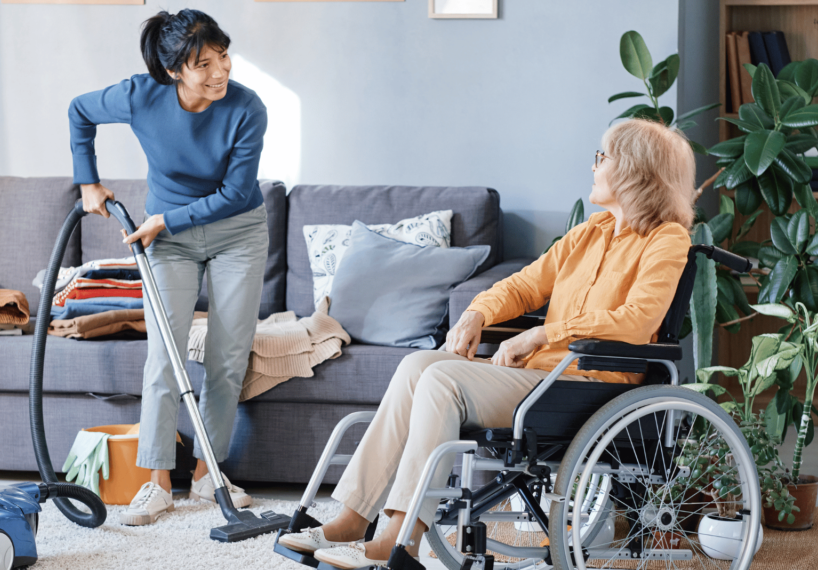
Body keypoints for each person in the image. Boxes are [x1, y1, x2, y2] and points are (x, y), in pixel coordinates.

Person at [278, 118, 696, 569]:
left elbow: (637, 320)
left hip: (589, 386)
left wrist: (543, 333)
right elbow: (523, 286)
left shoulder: (667, 239)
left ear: (633, 171)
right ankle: (352, 519)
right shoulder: (588, 233)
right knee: (418, 365)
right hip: (541, 379)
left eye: (603, 157)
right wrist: (477, 314)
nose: (594, 165)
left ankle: (399, 539)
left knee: (441, 381)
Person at [68, 9, 268, 526]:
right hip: (168, 241)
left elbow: (236, 194)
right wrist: (88, 182)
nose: (220, 71)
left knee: (227, 357)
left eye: (223, 56)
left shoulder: (247, 108)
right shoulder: (141, 95)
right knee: (164, 356)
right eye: (204, 64)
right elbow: (79, 110)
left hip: (236, 233)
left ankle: (206, 474)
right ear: (174, 70)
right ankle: (156, 484)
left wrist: (166, 220)